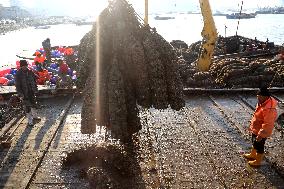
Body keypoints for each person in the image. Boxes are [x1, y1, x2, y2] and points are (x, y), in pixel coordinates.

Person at [243, 87, 278, 167]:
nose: (258, 98)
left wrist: (261, 135)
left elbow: (268, 124)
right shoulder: (263, 101)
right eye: (257, 96)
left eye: (259, 97)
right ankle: (253, 154)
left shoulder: (269, 109)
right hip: (257, 128)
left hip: (262, 131)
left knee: (260, 145)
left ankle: (258, 161)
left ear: (265, 97)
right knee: (254, 141)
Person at [15, 60, 41, 126]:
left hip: (31, 91)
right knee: (27, 107)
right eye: (23, 66)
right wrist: (20, 94)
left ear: (27, 65)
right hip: (24, 93)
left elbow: (35, 78)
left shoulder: (30, 71)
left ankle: (35, 117)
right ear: (21, 66)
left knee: (34, 104)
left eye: (25, 65)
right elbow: (17, 86)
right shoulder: (18, 74)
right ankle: (30, 120)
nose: (25, 67)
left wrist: (35, 89)